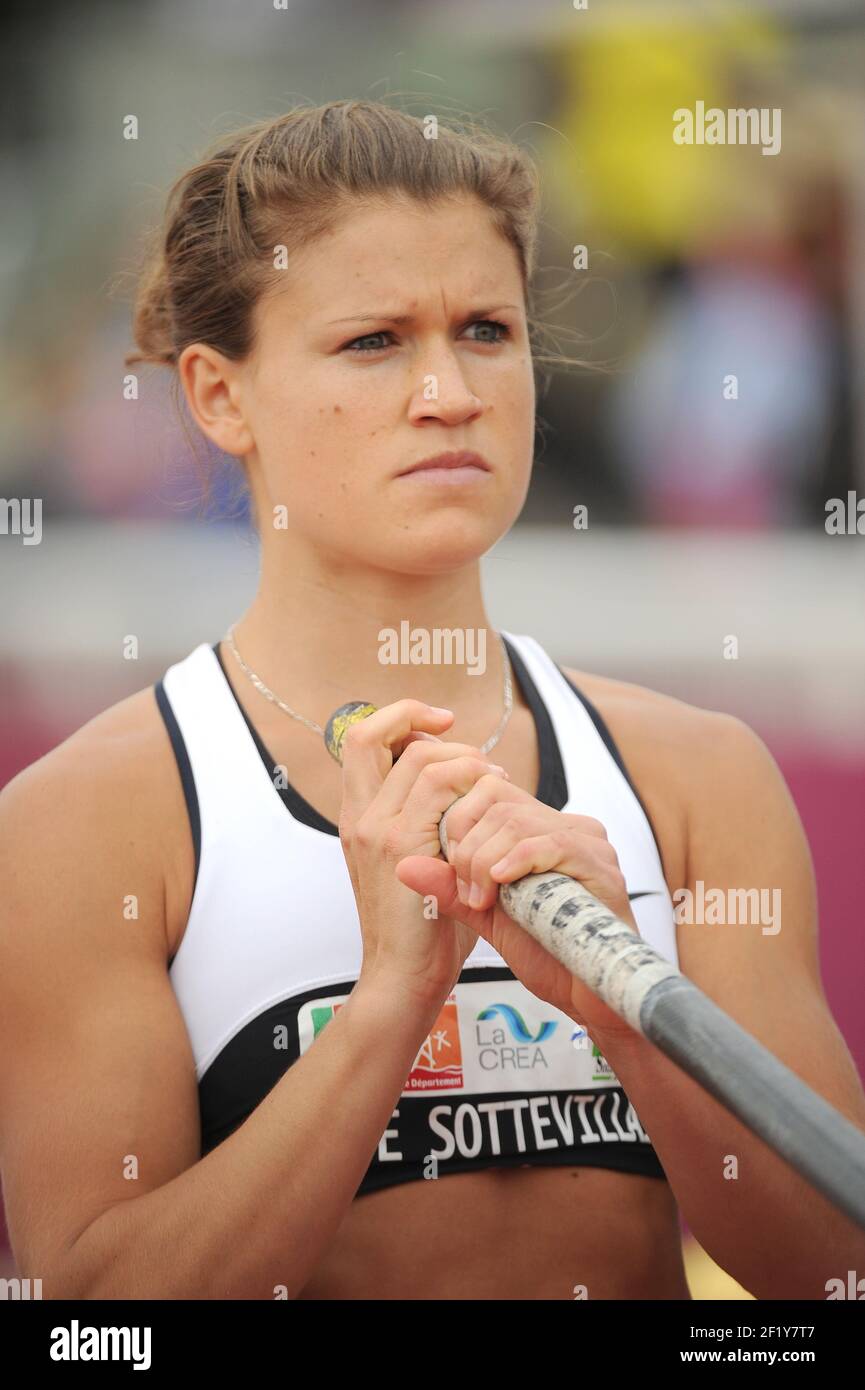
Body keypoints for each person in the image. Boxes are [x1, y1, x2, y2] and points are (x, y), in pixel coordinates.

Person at [1, 100, 863, 1302]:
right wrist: (388, 1005)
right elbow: (96, 1322)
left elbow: (834, 1273)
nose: (449, 391)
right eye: (373, 342)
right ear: (217, 395)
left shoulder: (696, 773)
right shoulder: (86, 821)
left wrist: (617, 1006)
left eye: (485, 330)